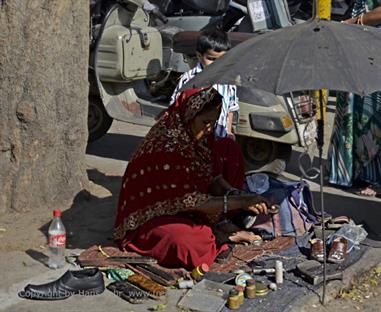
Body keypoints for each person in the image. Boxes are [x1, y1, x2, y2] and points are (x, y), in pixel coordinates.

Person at [114, 87, 270, 269]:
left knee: (229, 149)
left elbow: (213, 178)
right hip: (154, 215)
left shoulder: (200, 138)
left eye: (213, 122)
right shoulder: (169, 147)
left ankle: (219, 229)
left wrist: (238, 195)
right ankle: (219, 234)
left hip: (189, 206)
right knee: (190, 242)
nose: (210, 128)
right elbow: (191, 201)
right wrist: (239, 201)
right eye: (205, 122)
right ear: (189, 116)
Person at [328, 0, 381, 196]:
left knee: (372, 116)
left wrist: (353, 22)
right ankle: (352, 172)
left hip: (373, 46)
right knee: (353, 109)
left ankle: (373, 178)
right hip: (360, 45)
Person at [169, 29, 239, 140]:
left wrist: (229, 132)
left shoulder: (228, 81)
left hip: (219, 137)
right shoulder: (189, 79)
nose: (217, 64)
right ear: (200, 56)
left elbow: (230, 108)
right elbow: (175, 108)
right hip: (193, 137)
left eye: (222, 59)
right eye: (211, 59)